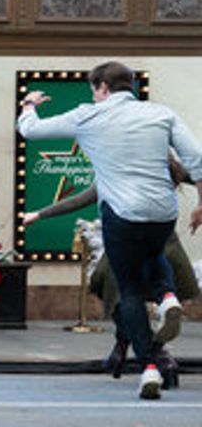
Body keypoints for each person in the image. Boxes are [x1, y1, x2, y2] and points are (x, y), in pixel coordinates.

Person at [18, 60, 202, 399]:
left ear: (102, 87)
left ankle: (148, 369)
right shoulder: (161, 114)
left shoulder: (89, 114)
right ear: (129, 87)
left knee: (129, 289)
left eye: (94, 90)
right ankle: (167, 297)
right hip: (163, 212)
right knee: (154, 252)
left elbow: (30, 130)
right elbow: (197, 158)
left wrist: (29, 105)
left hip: (123, 214)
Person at [24, 164, 200, 387]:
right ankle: (155, 343)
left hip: (127, 246)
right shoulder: (163, 164)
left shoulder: (116, 166)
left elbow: (78, 200)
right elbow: (198, 174)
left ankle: (140, 350)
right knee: (160, 292)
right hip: (165, 246)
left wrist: (39, 215)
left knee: (119, 294)